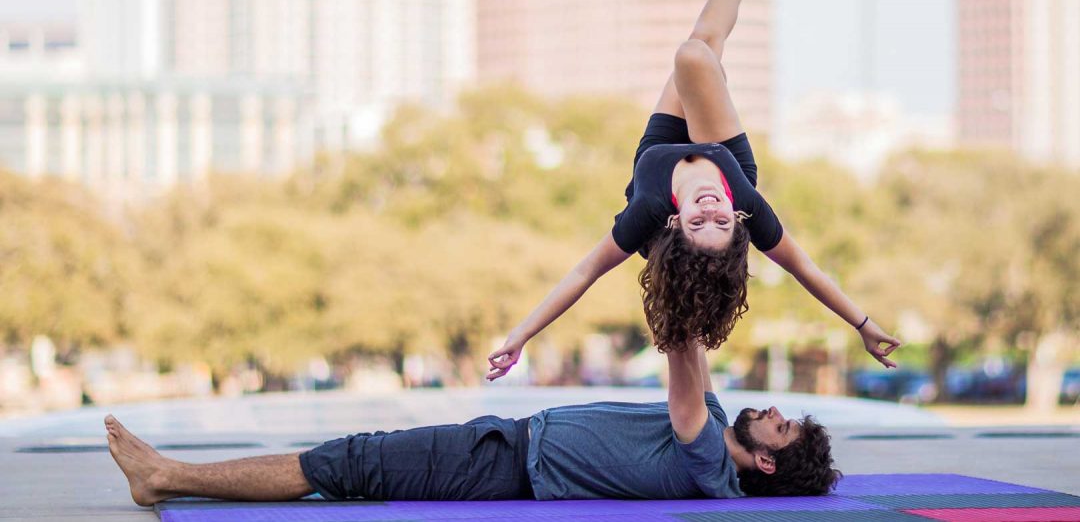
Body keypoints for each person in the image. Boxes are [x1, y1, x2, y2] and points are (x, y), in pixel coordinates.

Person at [487, 0, 900, 378]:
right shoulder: (744, 201)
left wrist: (520, 336)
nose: (710, 212)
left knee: (697, 50)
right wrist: (863, 323)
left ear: (674, 223)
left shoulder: (647, 214)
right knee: (698, 52)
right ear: (736, 217)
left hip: (658, 154)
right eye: (720, 223)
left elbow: (582, 274)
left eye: (698, 223)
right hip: (723, 156)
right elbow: (805, 269)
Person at [104, 340, 839, 506]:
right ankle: (167, 472)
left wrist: (677, 240)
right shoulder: (717, 420)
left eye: (784, 427)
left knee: (348, 462)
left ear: (767, 462)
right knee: (351, 459)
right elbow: (699, 349)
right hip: (505, 442)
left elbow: (681, 348)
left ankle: (165, 476)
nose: (775, 411)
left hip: (498, 464)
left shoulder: (709, 460)